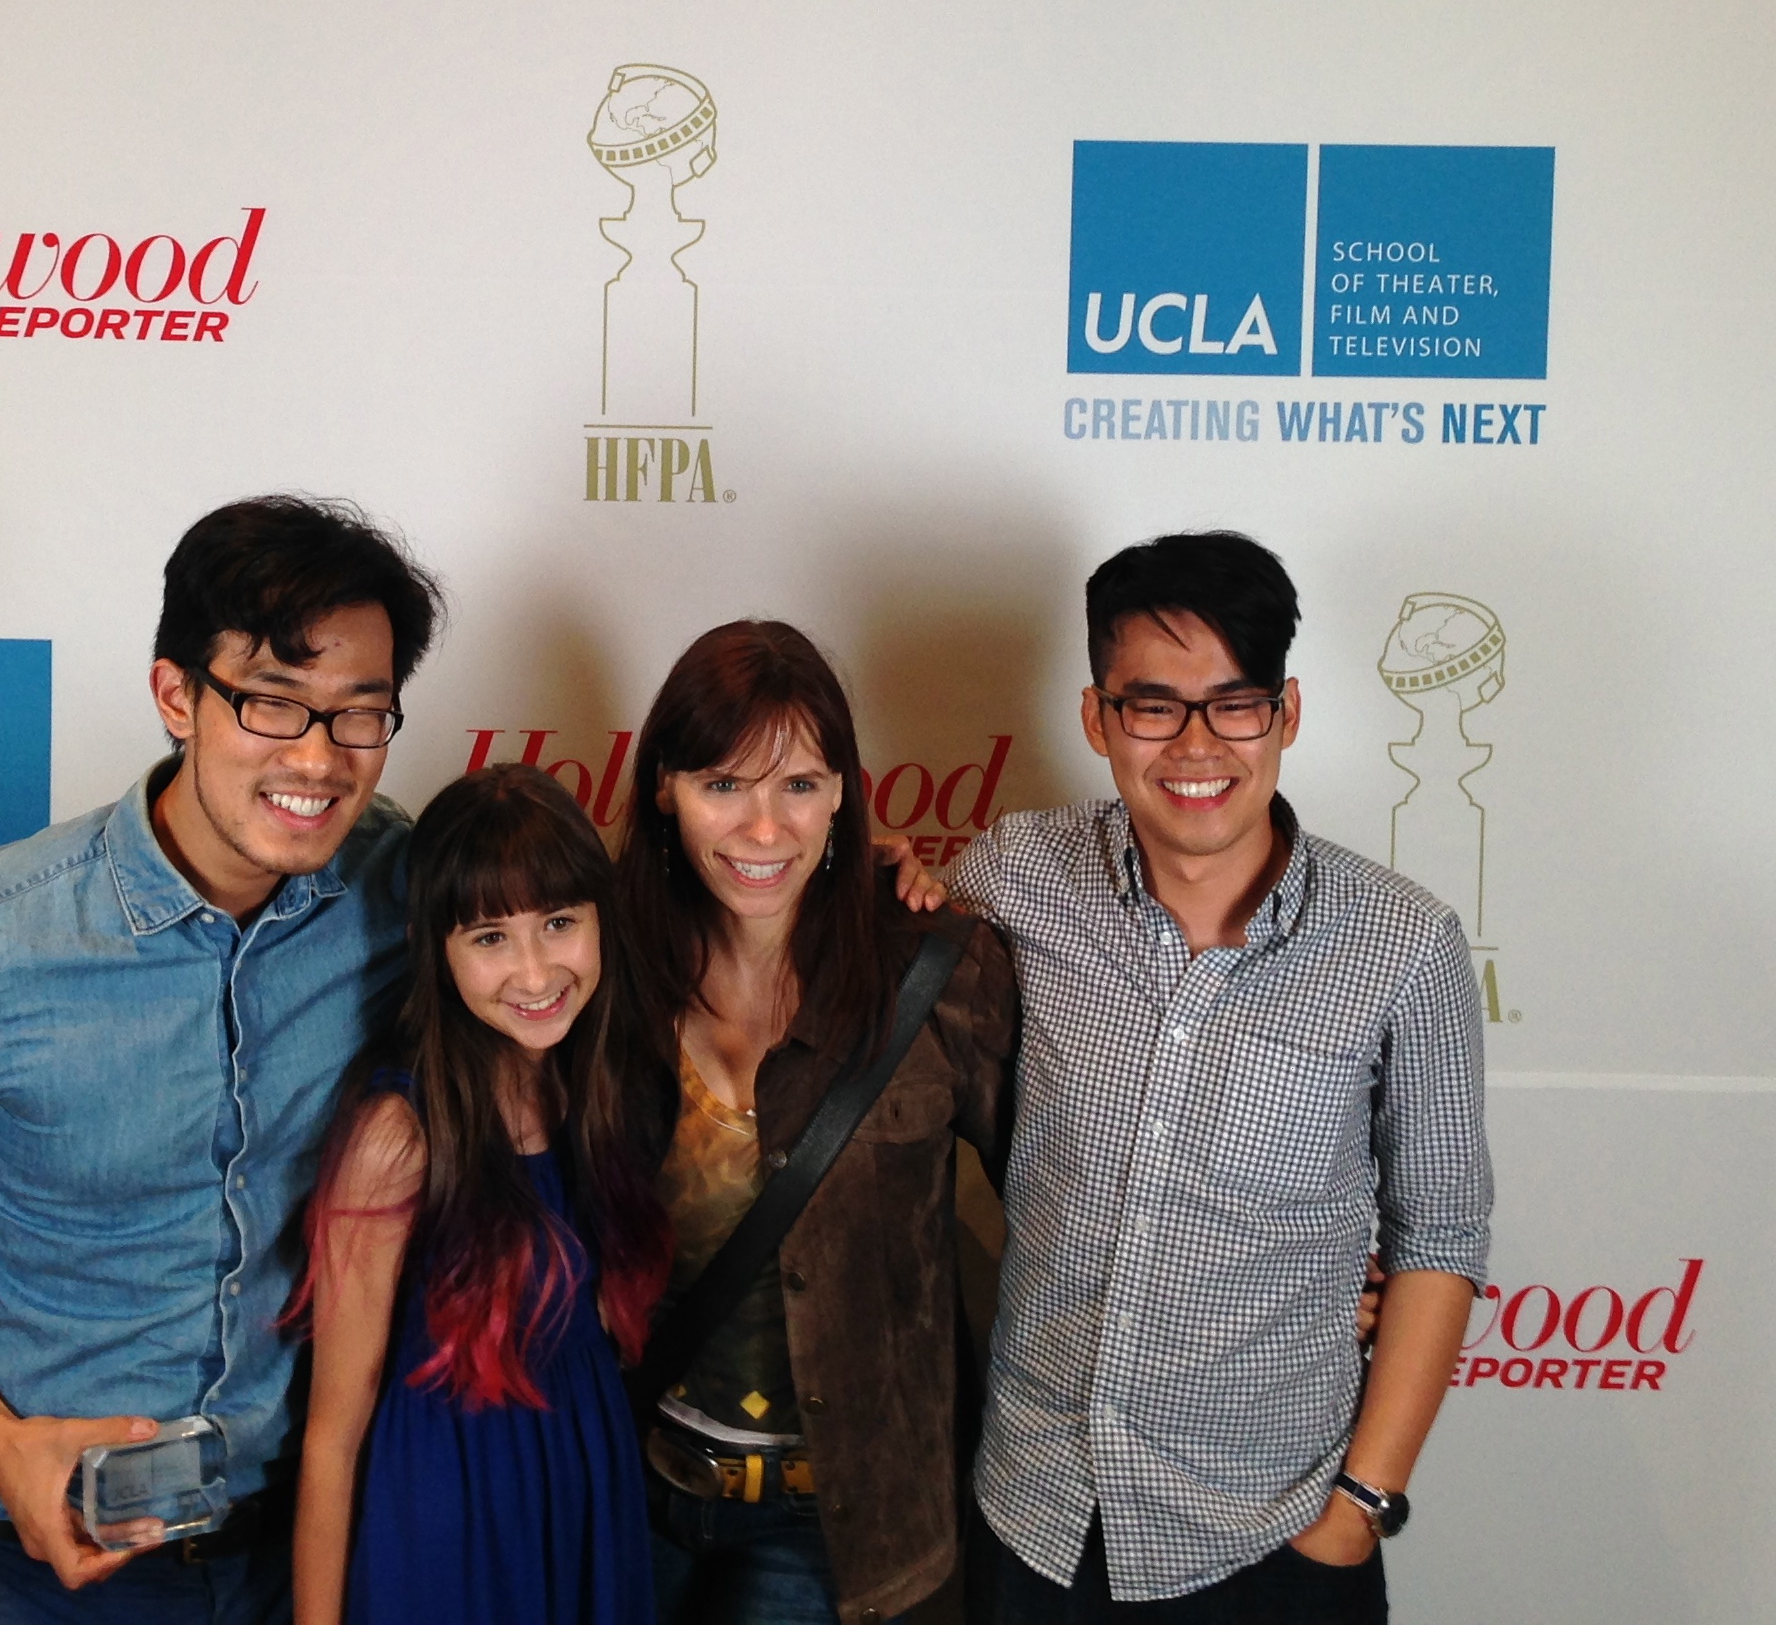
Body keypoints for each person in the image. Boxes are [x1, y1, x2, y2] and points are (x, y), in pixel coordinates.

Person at [0, 495, 442, 1622]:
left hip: (300, 1557)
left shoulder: (398, 890)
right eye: (273, 703)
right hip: (30, 1564)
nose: (318, 760)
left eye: (358, 715)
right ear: (177, 693)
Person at [952, 532, 1493, 1623]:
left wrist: (1359, 1505)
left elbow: (1439, 1237)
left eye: (1233, 703)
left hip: (1268, 1537)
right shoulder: (1010, 876)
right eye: (1152, 705)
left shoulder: (1404, 943)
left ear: (1285, 713)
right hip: (1035, 1515)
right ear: (1098, 717)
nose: (1195, 744)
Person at [618, 620, 1019, 1625]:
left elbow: (1078, 1208)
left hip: (835, 1525)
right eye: (725, 783)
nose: (765, 829)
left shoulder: (936, 972)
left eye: (799, 784)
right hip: (628, 1492)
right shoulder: (591, 975)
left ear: (843, 787)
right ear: (664, 784)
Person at [292, 762, 673, 1624]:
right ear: (439, 950)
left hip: (585, 1493)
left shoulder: (603, 1086)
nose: (535, 971)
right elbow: (331, 1436)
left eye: (560, 922)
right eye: (489, 936)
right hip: (449, 1518)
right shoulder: (399, 1133)